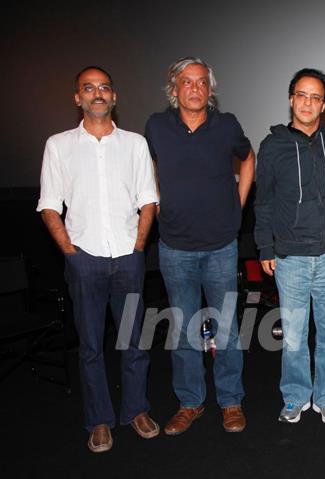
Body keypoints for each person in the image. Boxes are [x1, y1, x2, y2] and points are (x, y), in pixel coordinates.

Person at [37, 66, 159, 452]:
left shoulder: (135, 144)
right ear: (78, 98)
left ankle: (136, 410)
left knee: (134, 342)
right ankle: (100, 420)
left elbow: (148, 201)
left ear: (114, 96)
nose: (97, 93)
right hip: (84, 258)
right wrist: (71, 254)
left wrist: (139, 248)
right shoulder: (58, 145)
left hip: (128, 256)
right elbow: (49, 206)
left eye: (104, 87)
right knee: (90, 346)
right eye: (88, 88)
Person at [144, 56, 255, 435]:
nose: (195, 88)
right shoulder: (157, 127)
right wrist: (158, 202)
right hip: (174, 246)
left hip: (221, 244)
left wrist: (237, 204)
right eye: (187, 82)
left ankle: (231, 401)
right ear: (174, 89)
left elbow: (248, 157)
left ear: (211, 90)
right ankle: (190, 402)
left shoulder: (227, 125)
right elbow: (150, 169)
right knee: (184, 329)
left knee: (225, 327)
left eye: (202, 82)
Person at [254, 68, 325, 424]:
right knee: (294, 336)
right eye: (302, 95)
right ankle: (295, 396)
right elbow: (263, 201)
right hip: (290, 257)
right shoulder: (273, 145)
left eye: (316, 97)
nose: (308, 102)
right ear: (291, 98)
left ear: (324, 104)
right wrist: (265, 247)